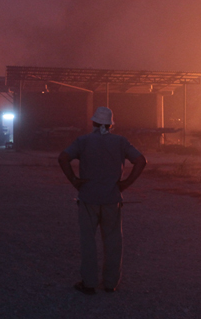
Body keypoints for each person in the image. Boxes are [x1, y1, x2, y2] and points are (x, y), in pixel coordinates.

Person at [58, 106, 147, 295]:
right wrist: (126, 183)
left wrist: (74, 181)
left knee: (88, 242)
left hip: (88, 197)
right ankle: (110, 283)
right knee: (113, 242)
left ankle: (89, 282)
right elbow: (141, 160)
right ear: (111, 125)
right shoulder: (120, 142)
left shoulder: (83, 141)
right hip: (112, 198)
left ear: (93, 122)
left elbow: (63, 157)